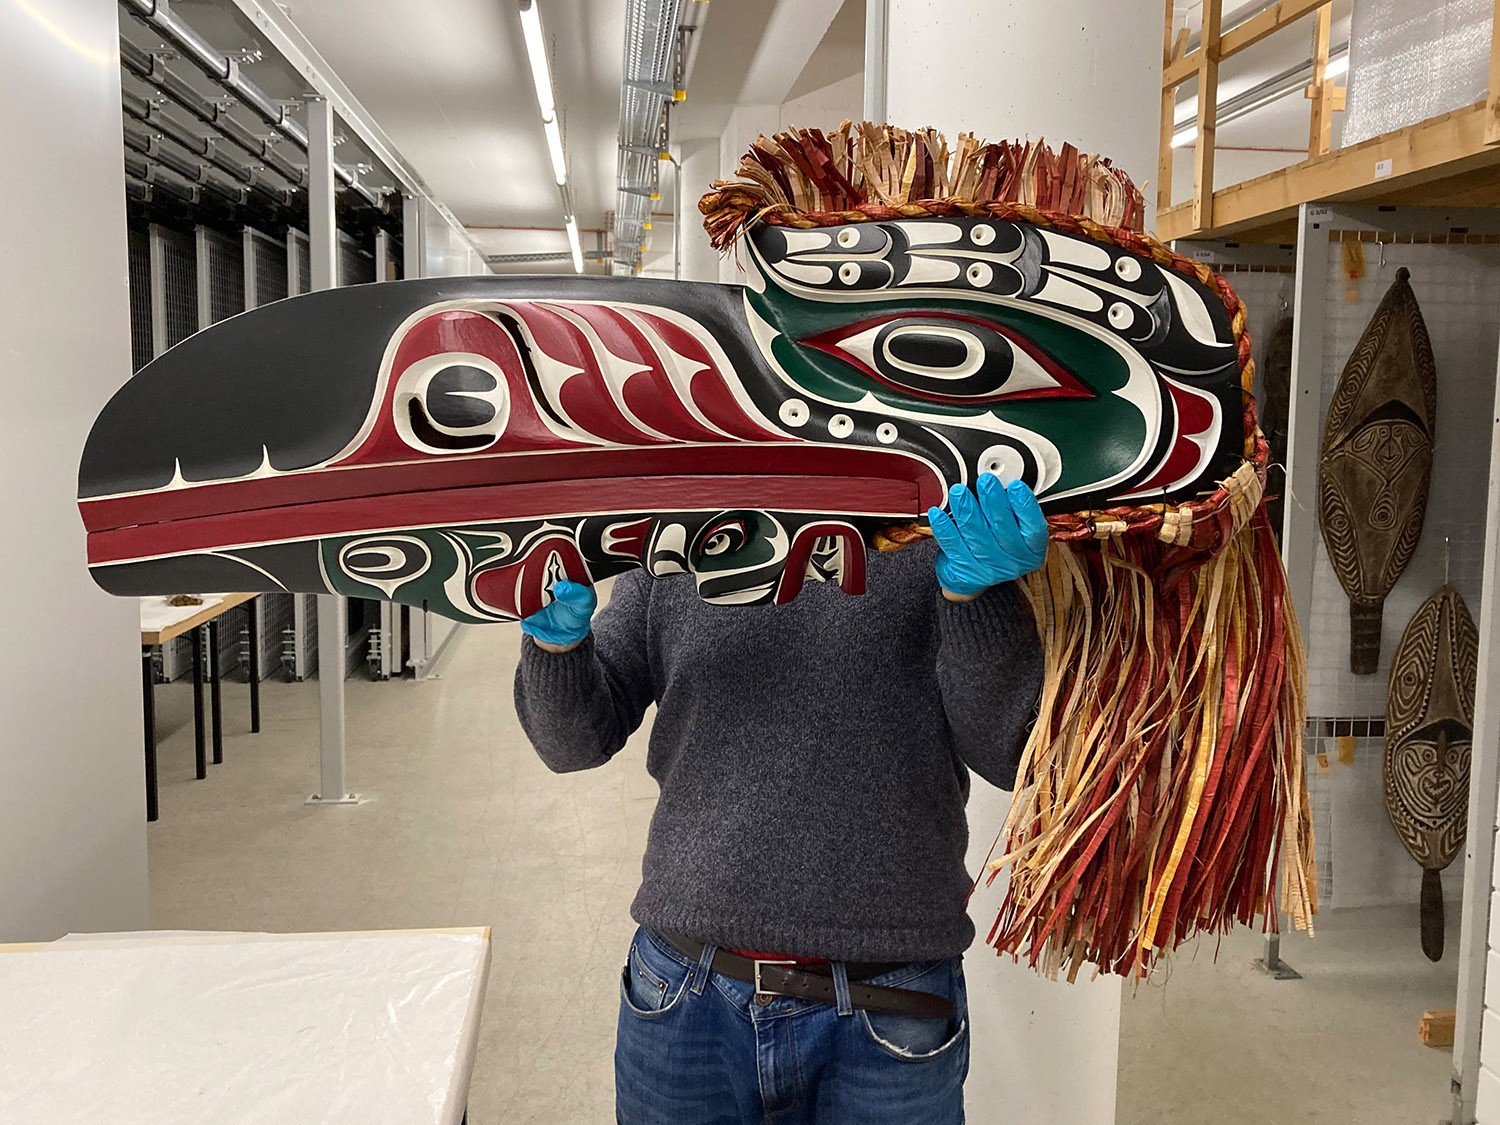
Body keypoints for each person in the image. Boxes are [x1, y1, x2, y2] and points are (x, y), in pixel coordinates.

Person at [513, 473, 1048, 1125]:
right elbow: (574, 743)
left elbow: (1011, 755)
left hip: (889, 1000)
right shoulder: (681, 528)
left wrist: (976, 599)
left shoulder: (934, 515)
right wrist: (555, 646)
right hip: (687, 989)